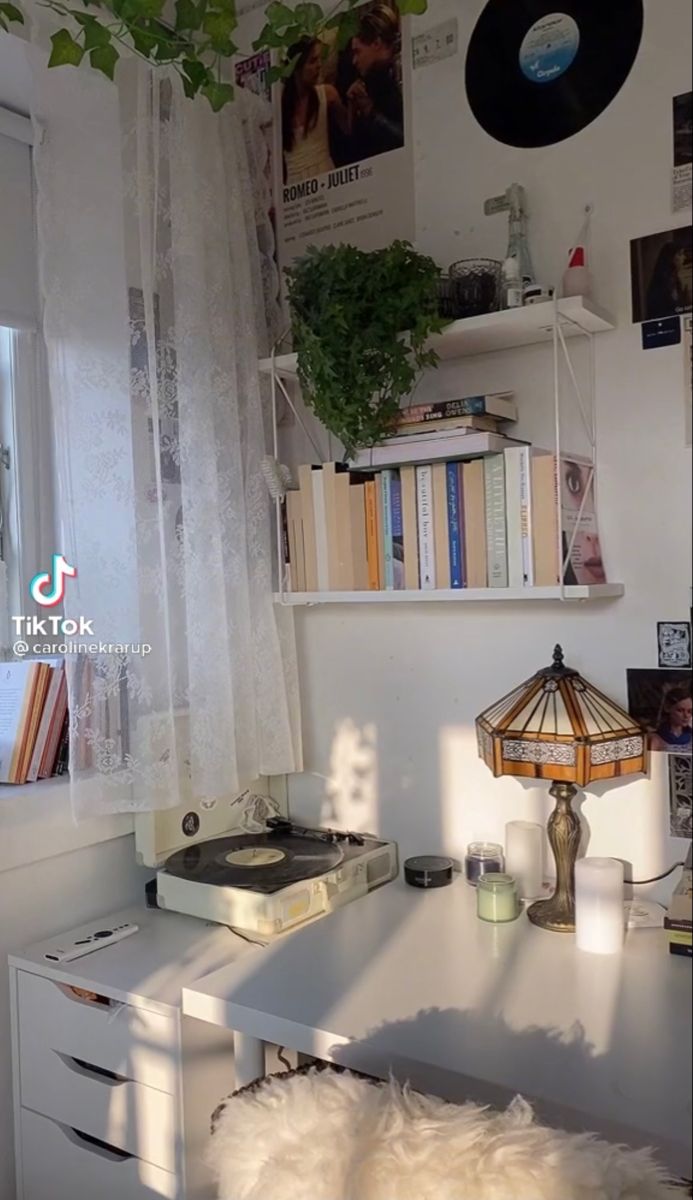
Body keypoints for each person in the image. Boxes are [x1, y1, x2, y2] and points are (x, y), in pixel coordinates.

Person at [281, 38, 348, 185]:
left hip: (325, 176)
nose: (319, 65)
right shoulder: (280, 109)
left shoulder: (327, 94)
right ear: (297, 68)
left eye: (319, 59)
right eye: (312, 61)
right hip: (294, 185)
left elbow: (348, 129)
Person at [347, 4, 404, 161]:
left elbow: (408, 138)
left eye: (358, 51)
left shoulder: (400, 75)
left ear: (376, 43)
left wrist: (370, 112)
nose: (354, 60)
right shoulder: (372, 79)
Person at [645, 238, 692, 320]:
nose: (684, 258)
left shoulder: (677, 281)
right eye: (680, 254)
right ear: (671, 258)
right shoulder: (659, 285)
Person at [650, 685, 692, 752]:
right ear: (668, 708)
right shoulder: (656, 739)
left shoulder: (690, 737)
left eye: (689, 711)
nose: (686, 716)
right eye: (680, 710)